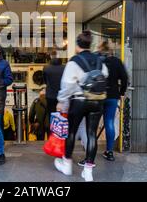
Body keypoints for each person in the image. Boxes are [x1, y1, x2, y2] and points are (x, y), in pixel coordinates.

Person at [54, 31, 108, 182]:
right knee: (91, 134)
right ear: (89, 45)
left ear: (77, 45)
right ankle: (88, 172)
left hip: (79, 101)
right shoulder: (99, 60)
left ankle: (67, 165)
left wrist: (62, 101)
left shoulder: (74, 61)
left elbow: (67, 85)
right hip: (97, 101)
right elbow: (105, 75)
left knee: (71, 132)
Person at [99, 41, 128, 162]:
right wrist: (121, 92)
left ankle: (90, 149)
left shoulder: (99, 61)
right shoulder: (117, 61)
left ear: (101, 49)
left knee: (93, 122)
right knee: (109, 122)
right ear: (111, 50)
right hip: (112, 96)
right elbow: (125, 78)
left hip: (98, 96)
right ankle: (109, 151)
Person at [43, 50, 65, 116]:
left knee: (51, 115)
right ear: (59, 57)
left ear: (50, 57)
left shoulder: (46, 68)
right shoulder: (64, 68)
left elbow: (45, 81)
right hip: (62, 95)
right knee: (62, 115)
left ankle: (52, 126)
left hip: (50, 95)